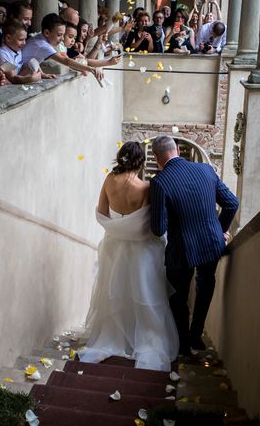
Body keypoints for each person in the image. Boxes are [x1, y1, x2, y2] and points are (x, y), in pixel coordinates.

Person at [79, 141, 179, 371]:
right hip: (141, 251)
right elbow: (146, 224)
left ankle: (115, 339)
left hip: (114, 247)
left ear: (120, 157)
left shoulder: (108, 180)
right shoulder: (145, 187)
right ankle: (145, 341)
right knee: (143, 294)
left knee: (117, 293)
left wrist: (117, 227)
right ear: (141, 161)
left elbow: (102, 213)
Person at [150, 136, 238, 356]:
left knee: (178, 297)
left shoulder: (160, 182)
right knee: (206, 285)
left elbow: (159, 229)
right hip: (211, 243)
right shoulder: (206, 170)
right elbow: (232, 203)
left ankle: (183, 348)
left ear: (156, 157)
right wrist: (219, 230)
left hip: (181, 250)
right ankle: (196, 334)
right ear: (177, 150)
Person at [21, 13, 100, 79]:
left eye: (63, 35)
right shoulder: (43, 45)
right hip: (19, 74)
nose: (62, 39)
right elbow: (66, 61)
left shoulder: (39, 38)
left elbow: (33, 59)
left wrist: (42, 74)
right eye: (59, 35)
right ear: (47, 33)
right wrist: (90, 68)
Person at [0, 18, 44, 84]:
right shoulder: (1, 54)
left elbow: (21, 71)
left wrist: (42, 74)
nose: (24, 43)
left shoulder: (17, 50)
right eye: (21, 40)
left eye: (25, 39)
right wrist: (30, 78)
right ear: (8, 38)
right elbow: (14, 78)